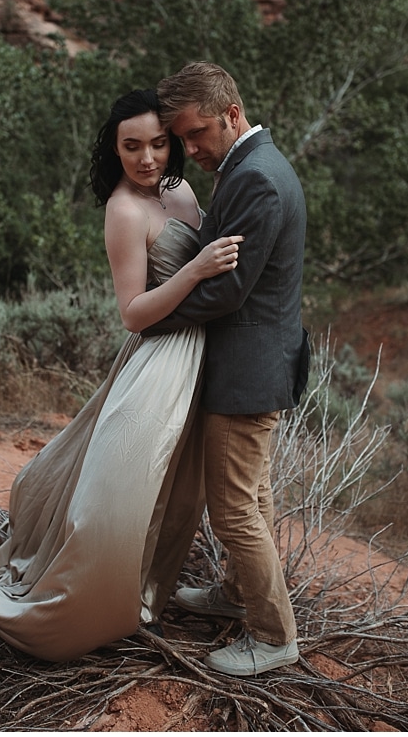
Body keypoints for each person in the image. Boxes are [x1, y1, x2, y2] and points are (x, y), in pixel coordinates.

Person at [0, 87, 245, 662]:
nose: (147, 158)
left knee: (180, 489)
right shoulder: (123, 209)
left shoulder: (180, 191)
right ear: (114, 149)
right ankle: (102, 598)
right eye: (132, 146)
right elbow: (132, 311)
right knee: (127, 485)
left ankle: (149, 596)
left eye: (159, 143)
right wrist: (198, 270)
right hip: (158, 355)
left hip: (203, 354)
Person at [144, 61, 310, 677]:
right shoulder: (250, 166)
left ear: (232, 114)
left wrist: (149, 318)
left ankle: (273, 638)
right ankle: (237, 594)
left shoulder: (258, 179)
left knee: (233, 509)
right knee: (255, 497)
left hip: (248, 371)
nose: (191, 149)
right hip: (255, 364)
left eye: (199, 134)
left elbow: (230, 290)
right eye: (182, 138)